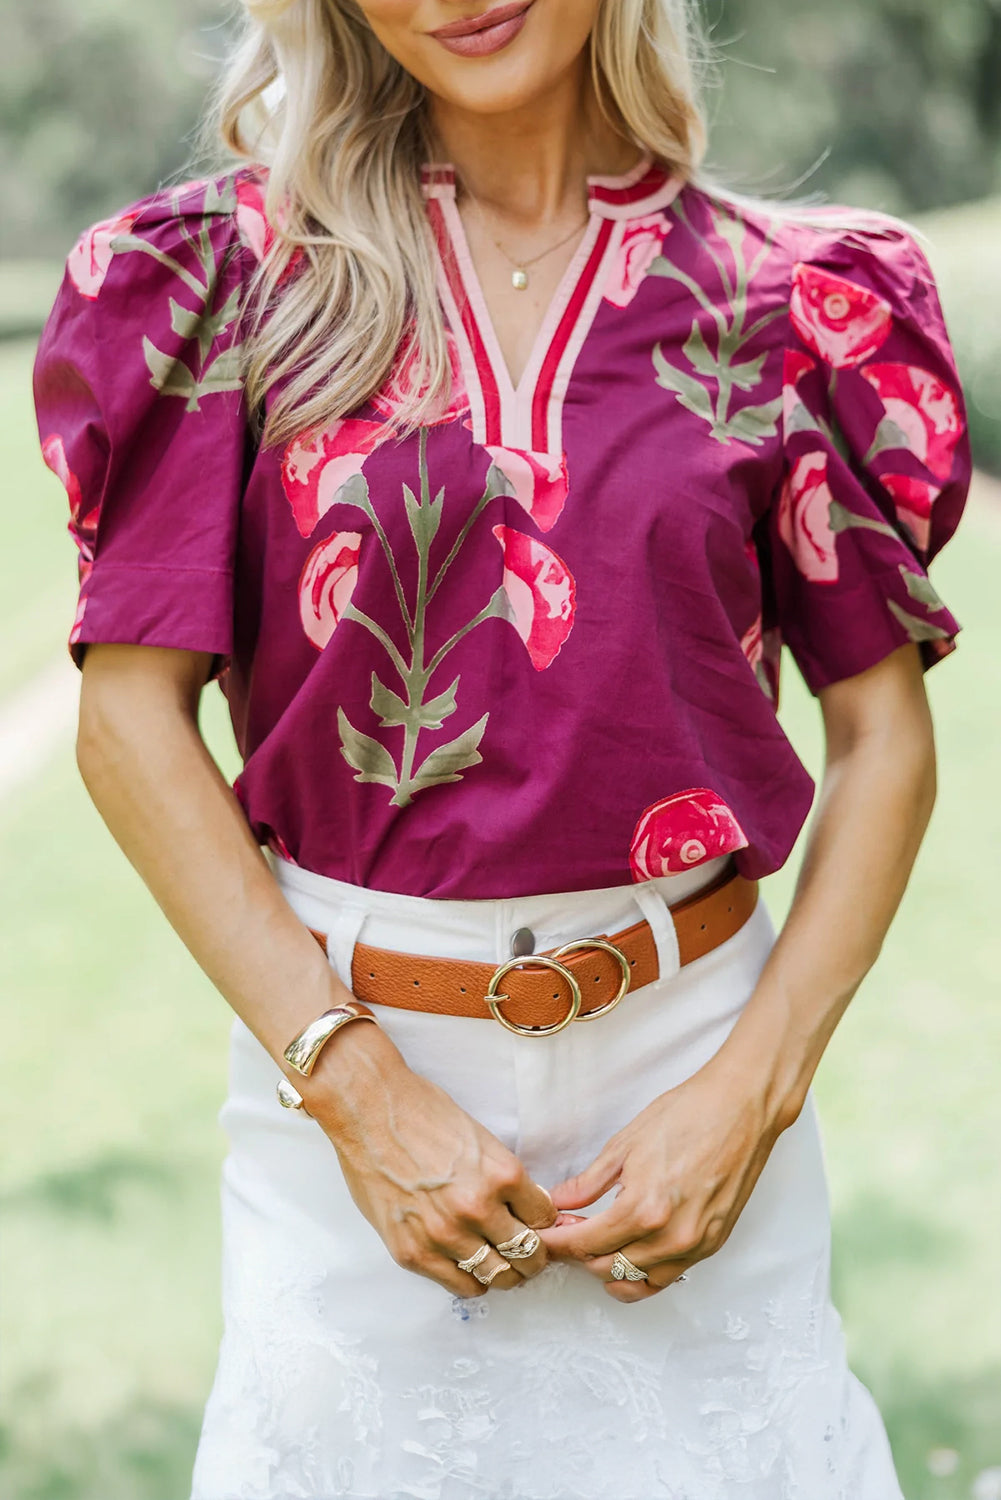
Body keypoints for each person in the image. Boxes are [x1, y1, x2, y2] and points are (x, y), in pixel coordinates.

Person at [32, 1, 972, 1496]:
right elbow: (129, 717)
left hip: (697, 1058)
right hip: (340, 1066)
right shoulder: (225, 286)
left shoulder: (791, 304)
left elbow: (880, 738)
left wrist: (753, 1090)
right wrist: (351, 1088)